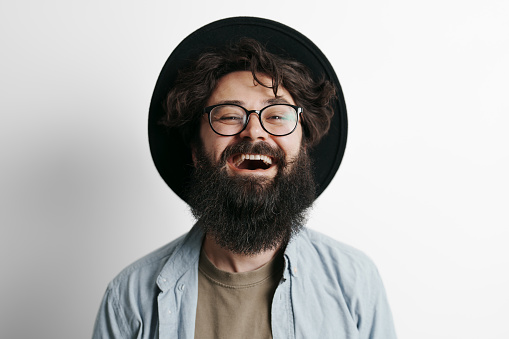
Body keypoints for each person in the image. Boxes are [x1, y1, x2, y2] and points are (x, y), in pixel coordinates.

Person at [93, 17, 397, 339]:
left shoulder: (355, 283)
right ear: (196, 153)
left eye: (277, 115)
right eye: (229, 115)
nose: (254, 130)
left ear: (303, 147)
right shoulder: (128, 300)